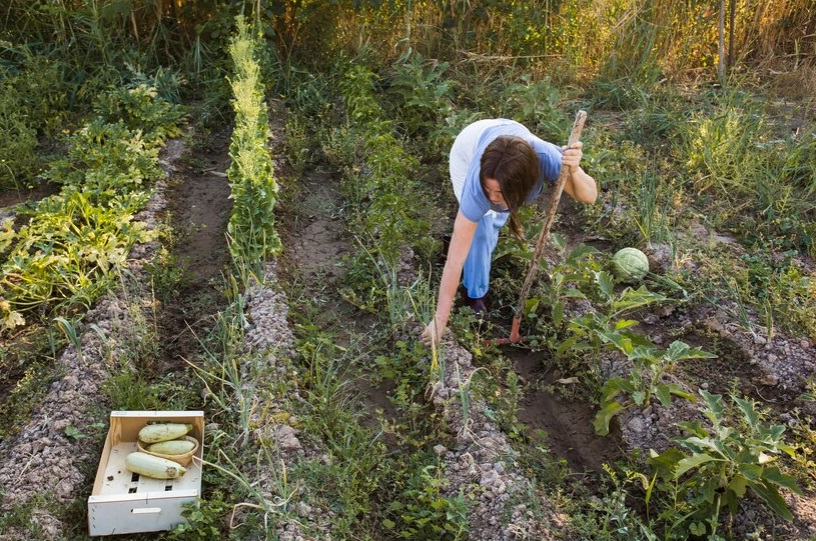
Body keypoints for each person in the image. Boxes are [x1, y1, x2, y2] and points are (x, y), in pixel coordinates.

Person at [421, 118, 597, 345]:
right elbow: (455, 260)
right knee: (480, 231)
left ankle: (472, 246)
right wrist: (439, 319)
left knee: (493, 219)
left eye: (501, 192)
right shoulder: (477, 186)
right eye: (489, 190)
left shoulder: (546, 159)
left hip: (511, 141)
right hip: (469, 146)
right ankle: (474, 296)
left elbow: (590, 196)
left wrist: (575, 170)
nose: (493, 198)